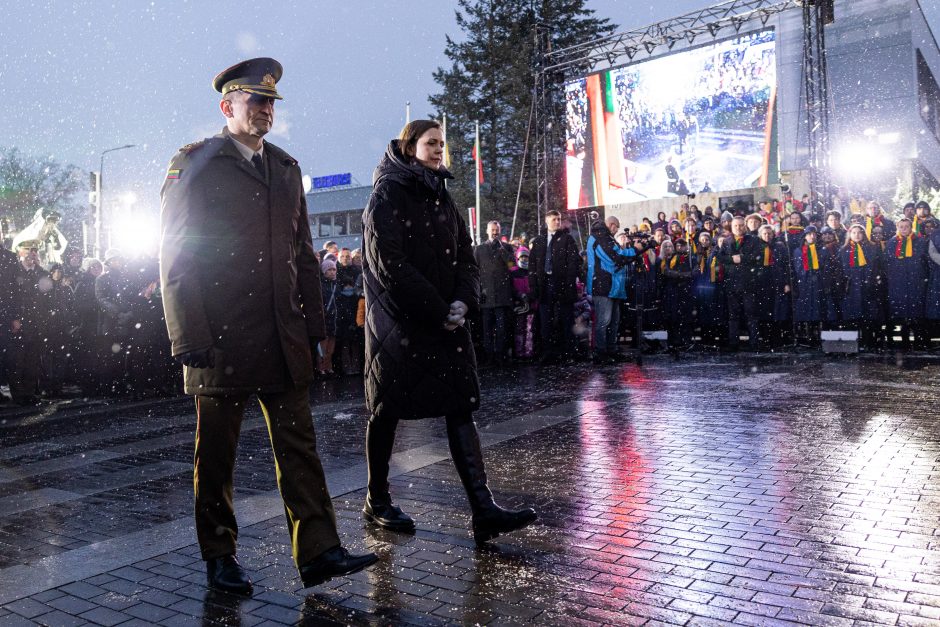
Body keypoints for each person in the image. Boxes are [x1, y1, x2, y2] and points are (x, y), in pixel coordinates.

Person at [159, 57, 376, 596]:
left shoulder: (283, 167)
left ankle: (320, 550)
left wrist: (315, 326)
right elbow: (177, 256)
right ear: (226, 106)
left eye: (271, 103)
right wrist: (188, 335)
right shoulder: (196, 164)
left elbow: (302, 254)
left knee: (299, 445)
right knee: (217, 454)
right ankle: (219, 555)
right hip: (221, 336)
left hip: (282, 334)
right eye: (255, 101)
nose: (265, 111)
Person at [361, 119, 537, 544]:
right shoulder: (388, 194)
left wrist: (462, 301)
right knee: (387, 410)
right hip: (401, 325)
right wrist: (439, 309)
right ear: (409, 148)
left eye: (442, 143)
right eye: (430, 143)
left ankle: (483, 509)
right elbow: (390, 265)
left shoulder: (443, 197)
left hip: (445, 323)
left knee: (460, 407)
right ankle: (377, 499)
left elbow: (465, 259)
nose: (439, 149)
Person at [529, 210, 581, 364]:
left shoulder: (567, 239)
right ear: (546, 220)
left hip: (562, 284)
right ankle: (548, 352)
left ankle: (568, 352)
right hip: (545, 285)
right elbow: (532, 265)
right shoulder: (539, 241)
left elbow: (574, 263)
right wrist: (534, 286)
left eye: (559, 219)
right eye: (554, 219)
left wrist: (569, 282)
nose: (557, 222)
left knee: (566, 319)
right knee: (546, 320)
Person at [883, 218, 929, 349]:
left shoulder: (920, 242)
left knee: (916, 312)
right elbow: (886, 262)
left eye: (906, 226)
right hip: (898, 282)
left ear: (911, 227)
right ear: (897, 227)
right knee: (901, 313)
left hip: (916, 282)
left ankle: (919, 342)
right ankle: (904, 342)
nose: (904, 229)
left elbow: (925, 261)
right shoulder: (892, 243)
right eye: (901, 226)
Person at [474, 220, 515, 366]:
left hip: (502, 296)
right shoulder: (479, 250)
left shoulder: (507, 248)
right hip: (486, 296)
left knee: (502, 329)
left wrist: (502, 250)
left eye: (497, 230)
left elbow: (512, 266)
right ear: (487, 231)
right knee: (486, 329)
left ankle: (501, 357)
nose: (495, 232)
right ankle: (488, 357)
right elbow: (475, 271)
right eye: (492, 230)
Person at [719, 217, 762, 351]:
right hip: (732, 284)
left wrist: (742, 258)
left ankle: (754, 343)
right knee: (733, 315)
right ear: (732, 227)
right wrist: (733, 259)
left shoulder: (754, 240)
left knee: (751, 315)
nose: (738, 228)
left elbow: (757, 256)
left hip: (748, 283)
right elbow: (720, 257)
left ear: (745, 226)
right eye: (736, 226)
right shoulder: (726, 241)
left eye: (741, 225)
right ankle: (733, 344)